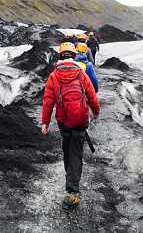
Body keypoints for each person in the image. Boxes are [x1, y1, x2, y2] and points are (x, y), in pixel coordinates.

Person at [42, 42, 100, 211]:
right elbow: (91, 95)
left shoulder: (53, 76)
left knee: (67, 146)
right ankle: (71, 193)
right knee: (76, 151)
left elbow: (48, 101)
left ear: (60, 56)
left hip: (63, 120)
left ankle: (69, 173)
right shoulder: (81, 74)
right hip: (81, 119)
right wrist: (96, 111)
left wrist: (45, 122)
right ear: (74, 56)